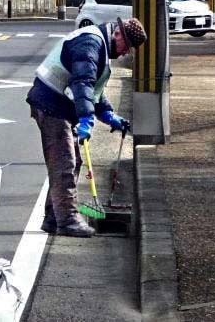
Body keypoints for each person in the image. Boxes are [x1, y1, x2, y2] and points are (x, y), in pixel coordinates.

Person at [26, 17, 147, 237]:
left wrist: (108, 114)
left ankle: (54, 217)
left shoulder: (98, 45)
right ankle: (68, 220)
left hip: (58, 104)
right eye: (125, 47)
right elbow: (82, 83)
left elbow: (93, 90)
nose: (124, 53)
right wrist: (86, 119)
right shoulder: (90, 43)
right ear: (117, 33)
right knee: (65, 162)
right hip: (51, 104)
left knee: (72, 161)